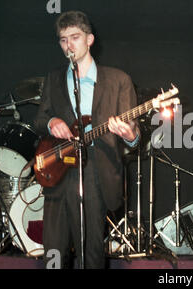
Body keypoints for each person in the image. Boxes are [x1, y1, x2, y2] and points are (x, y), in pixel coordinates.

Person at [34, 11, 140, 268]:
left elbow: (134, 134)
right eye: (62, 40)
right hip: (59, 167)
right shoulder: (54, 78)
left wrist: (129, 135)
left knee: (91, 252)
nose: (68, 45)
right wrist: (52, 122)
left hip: (95, 169)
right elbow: (39, 119)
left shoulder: (119, 80)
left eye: (75, 37)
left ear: (90, 39)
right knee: (54, 253)